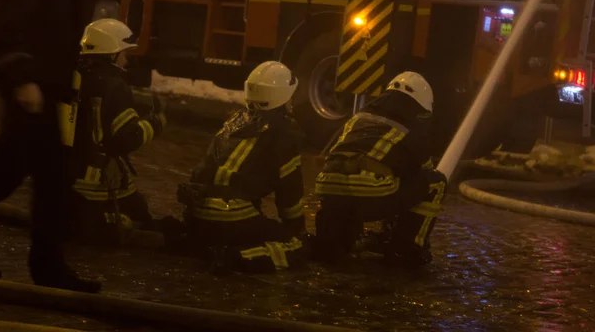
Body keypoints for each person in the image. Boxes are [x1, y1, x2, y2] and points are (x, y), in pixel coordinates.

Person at [0, 0, 100, 292]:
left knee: (54, 180)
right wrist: (21, 77)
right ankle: (49, 269)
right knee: (7, 171)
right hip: (29, 87)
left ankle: (49, 269)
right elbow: (5, 21)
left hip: (49, 87)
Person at [175, 61, 306, 274]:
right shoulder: (284, 133)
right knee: (296, 247)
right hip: (231, 218)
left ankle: (198, 243)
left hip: (198, 214)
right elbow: (289, 191)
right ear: (283, 97)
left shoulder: (235, 120)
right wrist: (296, 228)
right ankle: (233, 258)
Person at [313, 71, 447, 267]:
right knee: (436, 182)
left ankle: (335, 242)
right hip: (368, 194)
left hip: (328, 188)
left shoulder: (358, 117)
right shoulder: (413, 126)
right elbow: (422, 173)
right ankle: (407, 248)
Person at [70, 18, 165, 246]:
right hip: (96, 185)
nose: (126, 60)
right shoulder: (115, 85)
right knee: (141, 216)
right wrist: (155, 124)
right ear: (111, 54)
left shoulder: (73, 76)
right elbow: (125, 138)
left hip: (65, 178)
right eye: (123, 54)